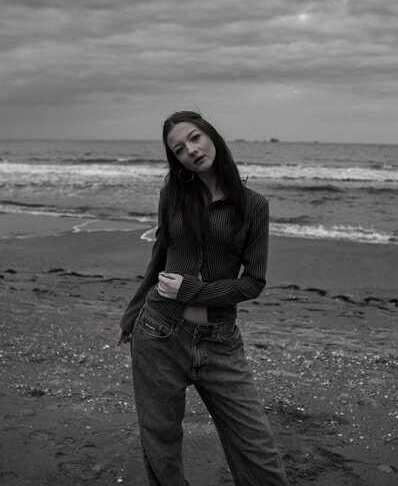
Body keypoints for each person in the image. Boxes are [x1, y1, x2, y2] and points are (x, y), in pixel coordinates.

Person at [116, 111, 290, 485]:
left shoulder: (253, 205)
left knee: (257, 448)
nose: (191, 150)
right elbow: (159, 257)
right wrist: (131, 315)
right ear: (176, 159)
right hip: (158, 332)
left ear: (211, 136)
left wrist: (193, 291)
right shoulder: (172, 196)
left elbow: (253, 283)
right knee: (160, 442)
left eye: (194, 138)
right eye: (179, 149)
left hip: (220, 341)